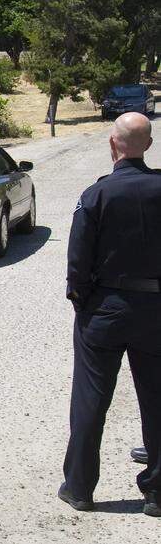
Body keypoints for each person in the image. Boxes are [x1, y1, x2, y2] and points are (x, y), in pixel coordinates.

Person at [60, 112, 161, 518]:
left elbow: (77, 260)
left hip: (105, 308)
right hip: (156, 309)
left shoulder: (97, 195)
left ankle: (80, 487)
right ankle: (155, 494)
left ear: (112, 145)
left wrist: (82, 303)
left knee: (91, 399)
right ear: (148, 146)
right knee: (157, 401)